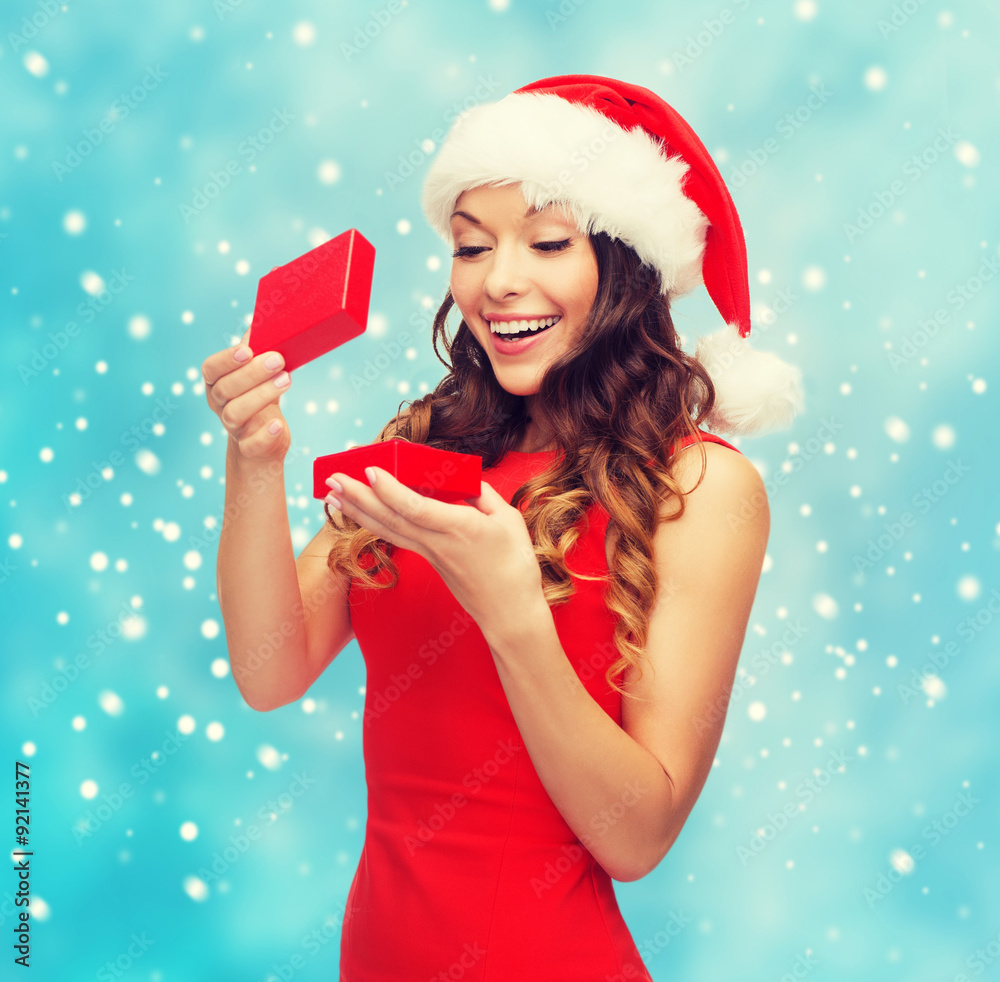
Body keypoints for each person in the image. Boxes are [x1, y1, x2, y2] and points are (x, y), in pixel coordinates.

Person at [204, 74, 804, 980]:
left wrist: (513, 614)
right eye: (471, 245)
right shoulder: (419, 453)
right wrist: (254, 458)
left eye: (550, 241)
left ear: (627, 261)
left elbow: (636, 837)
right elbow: (267, 669)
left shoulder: (701, 485)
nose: (499, 282)